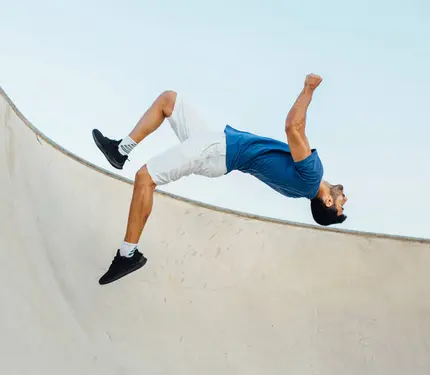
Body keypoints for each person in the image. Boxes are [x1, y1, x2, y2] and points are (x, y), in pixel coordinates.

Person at [92, 73, 347, 285]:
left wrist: (308, 90)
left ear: (326, 202)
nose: (344, 198)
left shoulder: (313, 178)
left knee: (145, 177)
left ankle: (128, 254)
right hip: (217, 144)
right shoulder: (297, 189)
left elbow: (293, 127)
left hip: (217, 150)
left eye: (340, 205)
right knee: (169, 101)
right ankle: (120, 150)